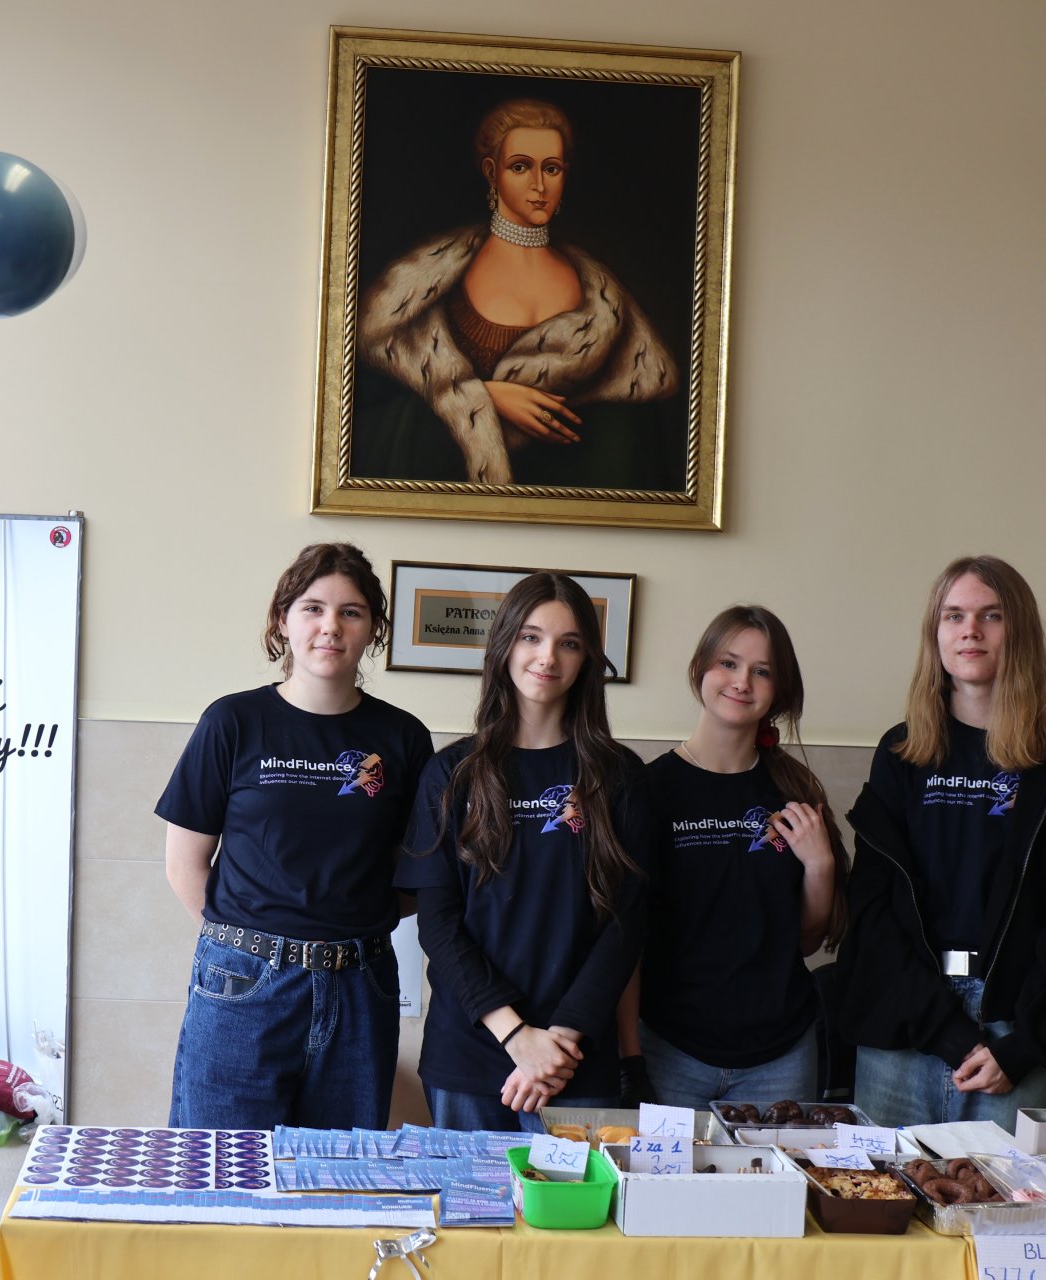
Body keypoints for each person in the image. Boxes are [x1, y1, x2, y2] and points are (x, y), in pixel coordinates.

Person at [837, 555, 1046, 1129]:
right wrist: (944, 1029)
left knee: (1007, 1191)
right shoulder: (900, 753)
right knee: (879, 1188)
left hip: (1015, 1032)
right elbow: (871, 908)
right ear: (936, 633)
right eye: (954, 615)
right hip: (903, 1023)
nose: (970, 630)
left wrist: (1024, 1047)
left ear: (1021, 632)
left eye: (991, 615)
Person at [158, 543, 433, 1129]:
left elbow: (416, 873)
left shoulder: (403, 737)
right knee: (222, 1167)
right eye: (313, 608)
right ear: (283, 620)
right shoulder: (232, 722)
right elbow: (185, 866)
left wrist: (352, 921)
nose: (331, 626)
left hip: (361, 986)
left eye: (351, 612)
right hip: (243, 985)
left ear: (373, 630)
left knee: (336, 1172)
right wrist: (251, 942)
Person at [397, 572, 652, 1131]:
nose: (547, 657)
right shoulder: (451, 772)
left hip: (576, 1060)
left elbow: (627, 925)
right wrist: (516, 1036)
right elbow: (438, 925)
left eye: (569, 643)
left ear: (587, 660)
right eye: (531, 637)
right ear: (504, 646)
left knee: (575, 1197)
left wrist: (558, 1042)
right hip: (469, 1054)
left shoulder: (620, 777)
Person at [353, 98, 681, 490]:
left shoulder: (604, 299)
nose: (539, 185)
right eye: (521, 166)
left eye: (552, 168)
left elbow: (630, 446)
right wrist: (482, 397)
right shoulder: (425, 286)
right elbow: (372, 426)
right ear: (492, 173)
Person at [623, 605, 849, 1108]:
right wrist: (629, 1057)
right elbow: (625, 940)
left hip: (781, 1057)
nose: (742, 681)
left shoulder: (793, 789)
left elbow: (806, 941)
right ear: (700, 669)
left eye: (761, 671)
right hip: (670, 1051)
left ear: (779, 690)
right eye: (728, 663)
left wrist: (821, 866)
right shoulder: (647, 789)